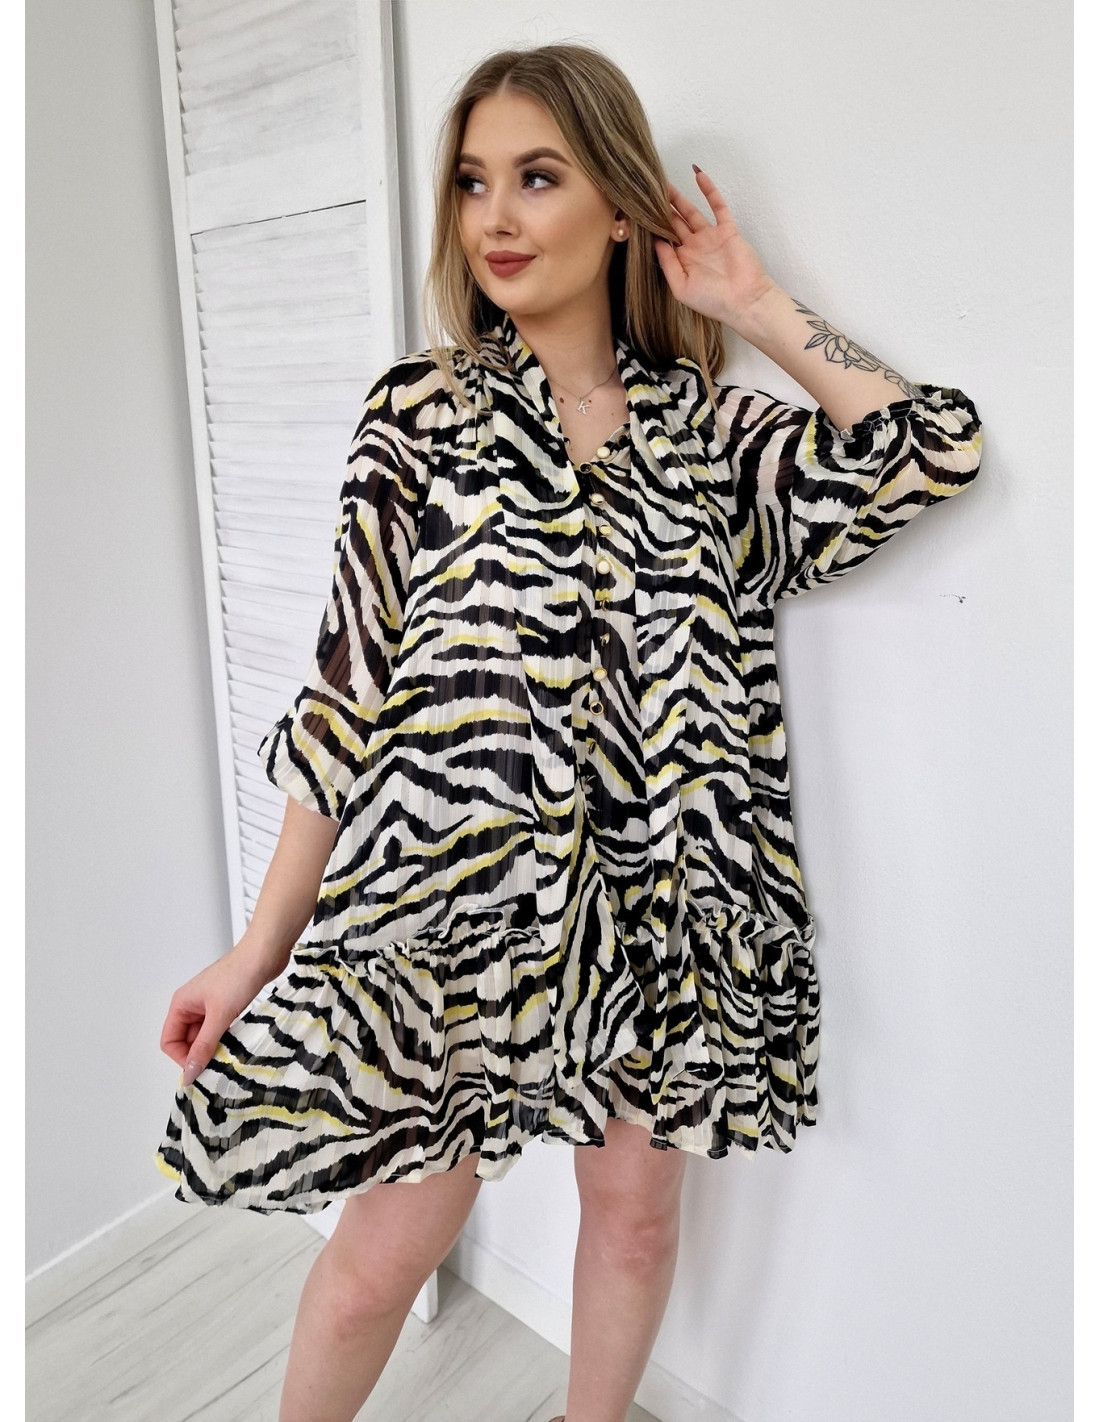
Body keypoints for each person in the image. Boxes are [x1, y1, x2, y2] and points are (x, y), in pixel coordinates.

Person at [155, 41, 982, 1422]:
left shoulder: (710, 442)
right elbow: (343, 690)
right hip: (455, 911)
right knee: (377, 1264)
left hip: (660, 914)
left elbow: (927, 449)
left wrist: (754, 301)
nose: (496, 216)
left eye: (538, 177)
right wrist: (262, 947)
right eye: (472, 182)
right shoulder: (417, 415)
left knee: (637, 1219)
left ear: (617, 206)